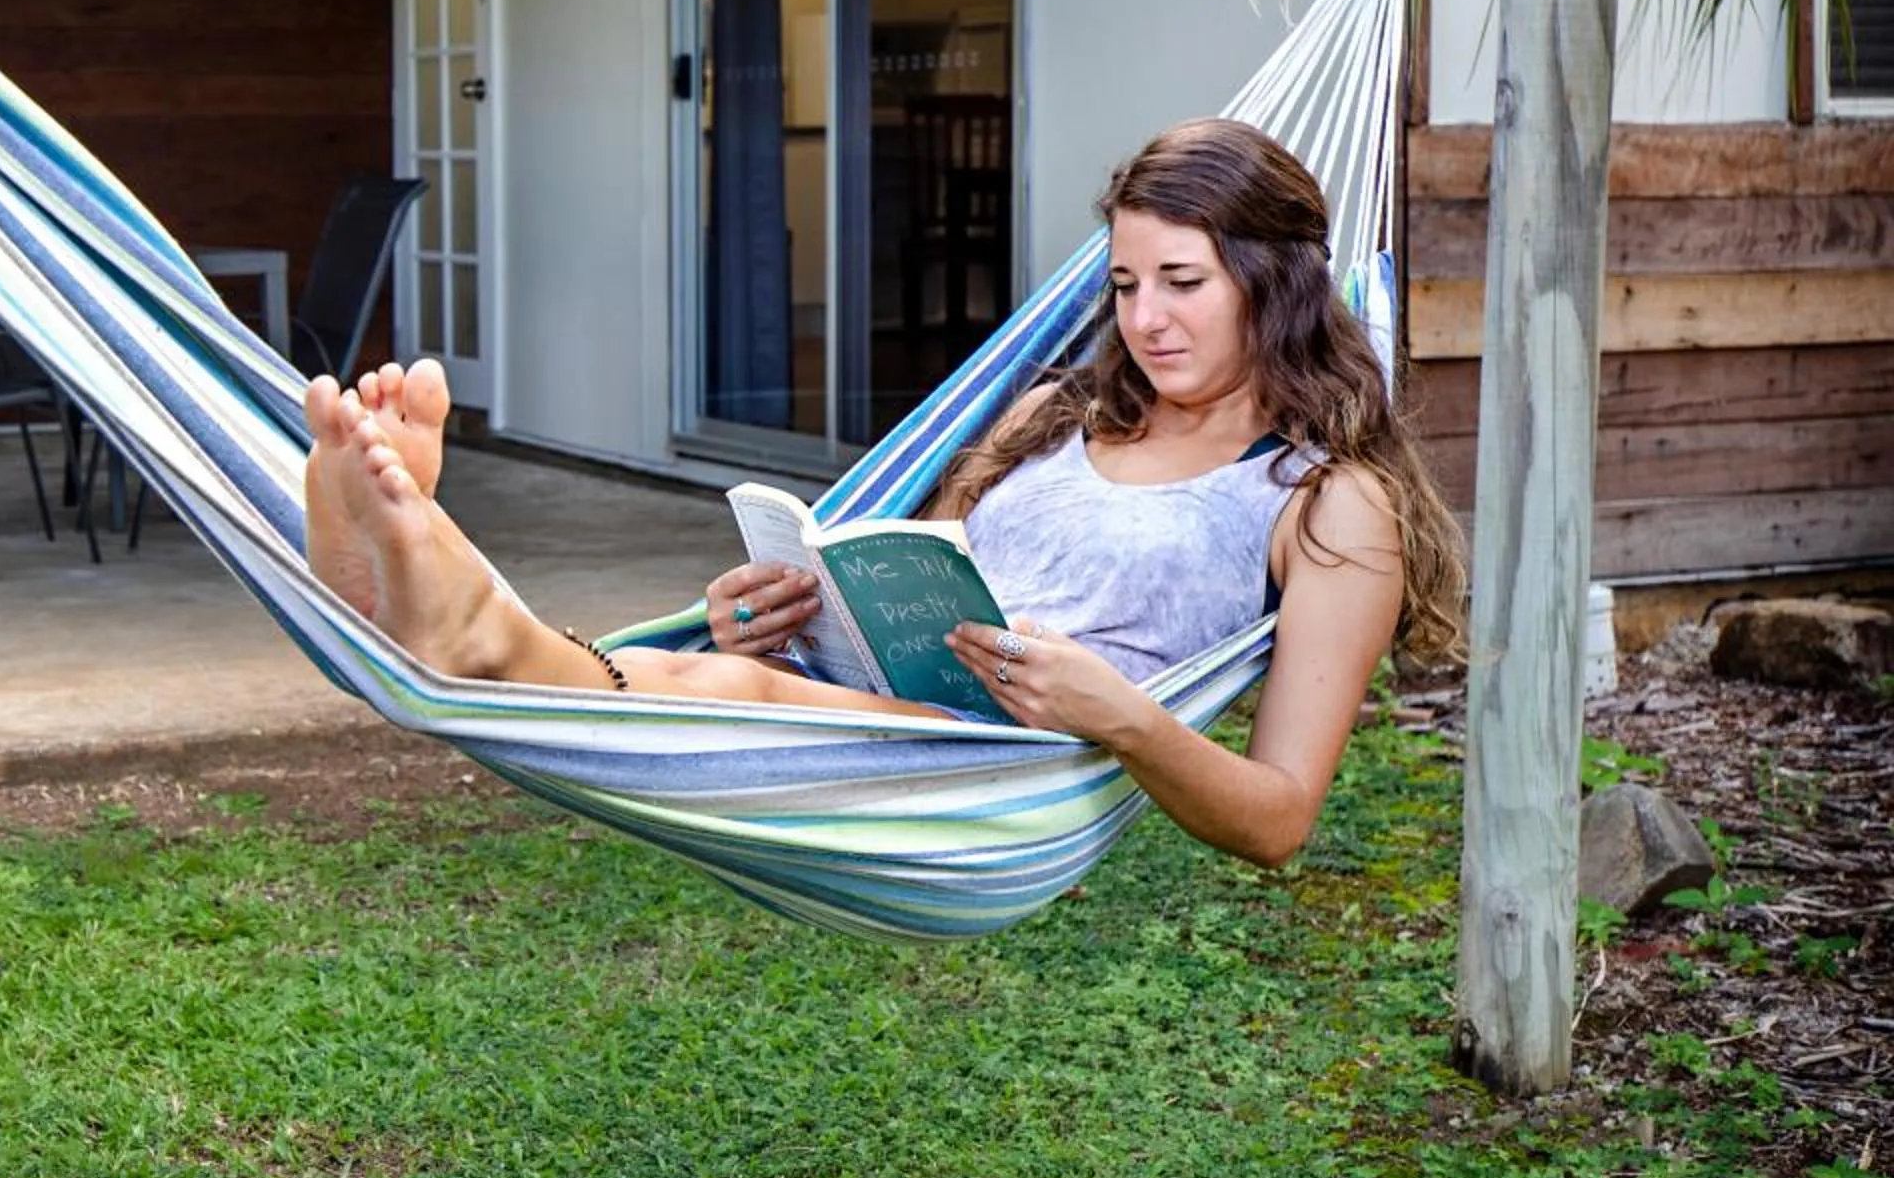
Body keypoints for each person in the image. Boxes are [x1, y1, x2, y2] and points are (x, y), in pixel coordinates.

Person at [302, 117, 1466, 869]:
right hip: (871, 706)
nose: (1145, 318)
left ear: (1275, 281)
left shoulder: (1328, 502)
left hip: (995, 774)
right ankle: (424, 601)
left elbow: (1278, 815)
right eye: (1123, 283)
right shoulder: (1059, 413)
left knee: (718, 693)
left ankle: (454, 608)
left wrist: (1123, 714)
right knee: (720, 664)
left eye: (1182, 282)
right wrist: (783, 603)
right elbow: (910, 577)